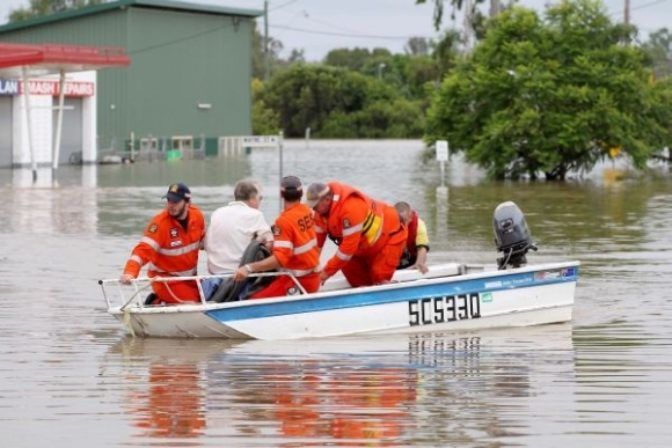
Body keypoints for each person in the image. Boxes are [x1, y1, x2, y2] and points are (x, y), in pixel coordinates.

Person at [233, 175, 321, 298]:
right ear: (301, 193)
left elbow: (280, 258)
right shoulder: (307, 211)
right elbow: (297, 239)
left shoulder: (284, 221)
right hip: (313, 277)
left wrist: (248, 268)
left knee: (252, 301)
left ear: (281, 195)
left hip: (297, 280)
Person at [306, 181, 408, 287]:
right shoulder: (319, 214)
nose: (313, 209)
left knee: (379, 275)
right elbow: (316, 246)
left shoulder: (351, 208)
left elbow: (346, 251)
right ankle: (364, 297)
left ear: (327, 200)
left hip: (390, 235)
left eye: (315, 206)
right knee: (350, 271)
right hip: (363, 247)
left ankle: (384, 292)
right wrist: (308, 272)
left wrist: (325, 273)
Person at [120, 182, 205, 304]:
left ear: (187, 203)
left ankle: (158, 300)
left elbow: (204, 241)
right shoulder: (159, 224)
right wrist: (130, 273)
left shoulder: (197, 216)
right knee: (192, 304)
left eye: (175, 202)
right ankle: (158, 300)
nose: (171, 205)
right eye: (169, 200)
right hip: (165, 280)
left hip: (190, 278)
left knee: (209, 298)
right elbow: (142, 250)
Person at [202, 179, 272, 298]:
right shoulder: (255, 215)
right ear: (252, 198)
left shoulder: (217, 213)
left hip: (212, 280)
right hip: (239, 281)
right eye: (260, 198)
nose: (260, 203)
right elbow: (270, 244)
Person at [394, 201, 430, 274]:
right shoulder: (387, 224)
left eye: (405, 220)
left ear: (410, 217)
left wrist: (419, 263)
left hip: (412, 260)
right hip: (395, 261)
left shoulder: (419, 225)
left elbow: (422, 247)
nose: (403, 224)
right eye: (400, 221)